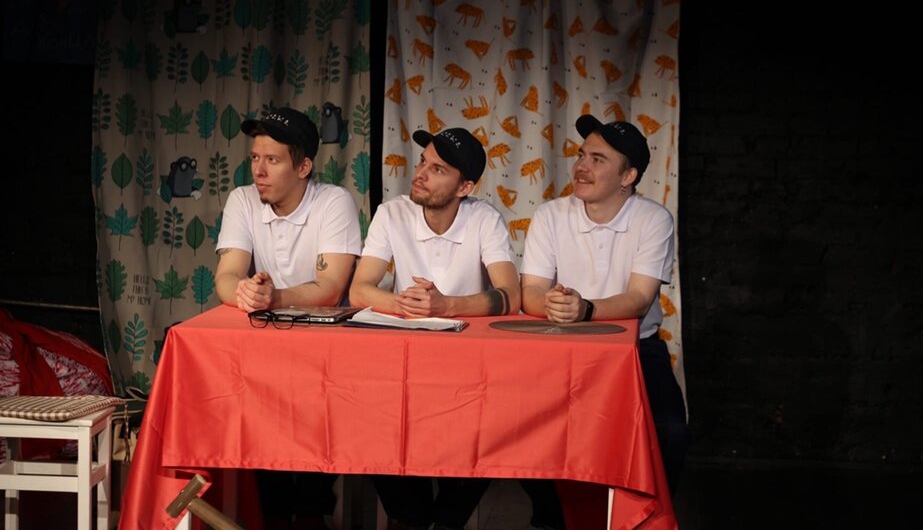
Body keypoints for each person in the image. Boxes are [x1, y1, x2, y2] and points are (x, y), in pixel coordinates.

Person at [349, 127, 520, 530]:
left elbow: (511, 296)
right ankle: (412, 519)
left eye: (437, 169)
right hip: (403, 360)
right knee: (366, 419)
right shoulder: (392, 212)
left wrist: (447, 306)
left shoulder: (484, 218)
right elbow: (359, 289)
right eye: (423, 162)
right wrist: (406, 305)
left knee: (496, 425)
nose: (420, 174)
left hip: (467, 363)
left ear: (465, 187)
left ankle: (445, 522)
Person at [520, 114, 691, 499]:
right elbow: (530, 292)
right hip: (559, 344)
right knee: (518, 427)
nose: (581, 166)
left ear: (627, 176)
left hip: (635, 349)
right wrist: (553, 304)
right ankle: (552, 518)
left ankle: (642, 518)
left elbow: (639, 299)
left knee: (671, 434)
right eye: (582, 155)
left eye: (598, 159)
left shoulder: (653, 219)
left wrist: (585, 309)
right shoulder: (550, 215)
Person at [215, 106, 362, 530]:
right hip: (266, 345)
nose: (258, 170)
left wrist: (272, 296)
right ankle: (274, 514)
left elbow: (330, 287)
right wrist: (244, 292)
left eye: (272, 160)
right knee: (252, 404)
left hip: (325, 351)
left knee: (323, 410)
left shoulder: (333, 201)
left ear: (303, 167)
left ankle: (313, 513)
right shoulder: (242, 199)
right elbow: (227, 275)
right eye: (255, 158)